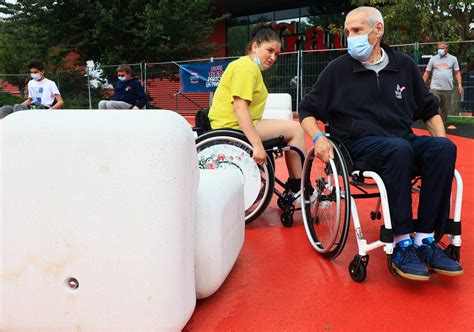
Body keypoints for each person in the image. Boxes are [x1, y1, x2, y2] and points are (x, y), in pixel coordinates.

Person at [298, 6, 463, 281]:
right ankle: (400, 242)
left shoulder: (404, 66)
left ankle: (424, 239)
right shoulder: (338, 70)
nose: (350, 37)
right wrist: (318, 138)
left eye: (357, 30)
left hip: (401, 140)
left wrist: (439, 150)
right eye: (347, 32)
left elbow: (429, 110)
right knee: (398, 149)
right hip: (358, 145)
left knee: (444, 149)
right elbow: (306, 111)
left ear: (377, 30)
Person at [208, 22, 307, 200]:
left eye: (276, 54)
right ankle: (298, 186)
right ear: (254, 46)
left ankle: (297, 185)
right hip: (232, 128)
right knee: (296, 130)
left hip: (231, 124)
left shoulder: (247, 67)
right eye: (269, 50)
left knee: (291, 128)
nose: (273, 57)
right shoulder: (246, 67)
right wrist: (257, 145)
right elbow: (240, 108)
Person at [423, 42, 463, 125]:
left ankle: (442, 123)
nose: (440, 50)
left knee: (444, 108)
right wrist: (422, 84)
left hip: (447, 88)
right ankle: (434, 124)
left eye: (442, 48)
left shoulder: (453, 59)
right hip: (435, 88)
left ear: (447, 49)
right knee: (435, 106)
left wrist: (459, 85)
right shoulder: (433, 59)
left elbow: (457, 72)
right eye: (438, 48)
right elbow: (427, 72)